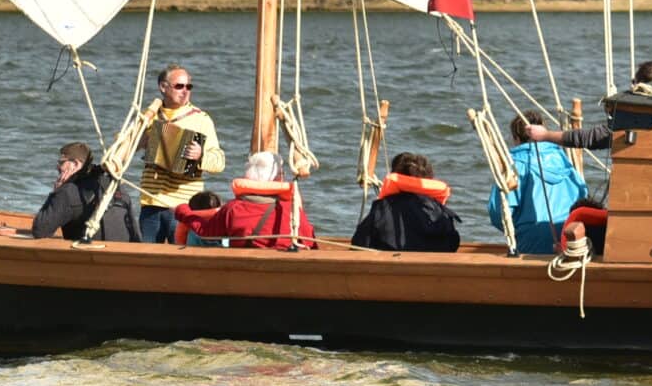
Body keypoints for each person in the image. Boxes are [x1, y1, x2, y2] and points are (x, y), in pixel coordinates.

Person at [137, 64, 225, 242]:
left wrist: (201, 156)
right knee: (146, 257)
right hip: (151, 202)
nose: (185, 91)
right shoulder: (149, 116)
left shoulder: (201, 119)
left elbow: (219, 162)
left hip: (183, 205)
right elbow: (123, 144)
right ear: (163, 87)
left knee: (181, 256)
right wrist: (140, 141)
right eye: (179, 86)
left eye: (188, 87)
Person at [174, 150, 317, 249]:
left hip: (244, 273)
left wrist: (183, 211)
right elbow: (309, 242)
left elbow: (205, 232)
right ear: (275, 179)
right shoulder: (290, 210)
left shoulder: (233, 209)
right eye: (281, 173)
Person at [523, 61, 652, 154]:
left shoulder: (638, 118)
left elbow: (591, 138)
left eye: (634, 82)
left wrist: (544, 135)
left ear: (640, 86)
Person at [491, 111, 586, 256]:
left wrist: (515, 230)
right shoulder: (564, 160)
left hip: (531, 239)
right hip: (569, 236)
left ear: (516, 138)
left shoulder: (514, 165)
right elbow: (582, 195)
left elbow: (500, 213)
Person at [350, 152, 462, 253]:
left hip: (391, 272)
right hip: (433, 273)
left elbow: (359, 244)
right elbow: (452, 244)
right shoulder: (440, 213)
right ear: (428, 179)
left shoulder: (383, 209)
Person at [30, 141, 139, 242]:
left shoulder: (68, 192)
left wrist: (56, 192)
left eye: (61, 162)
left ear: (76, 164)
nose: (57, 167)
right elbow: (135, 235)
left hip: (92, 258)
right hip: (123, 257)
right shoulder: (117, 188)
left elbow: (40, 230)